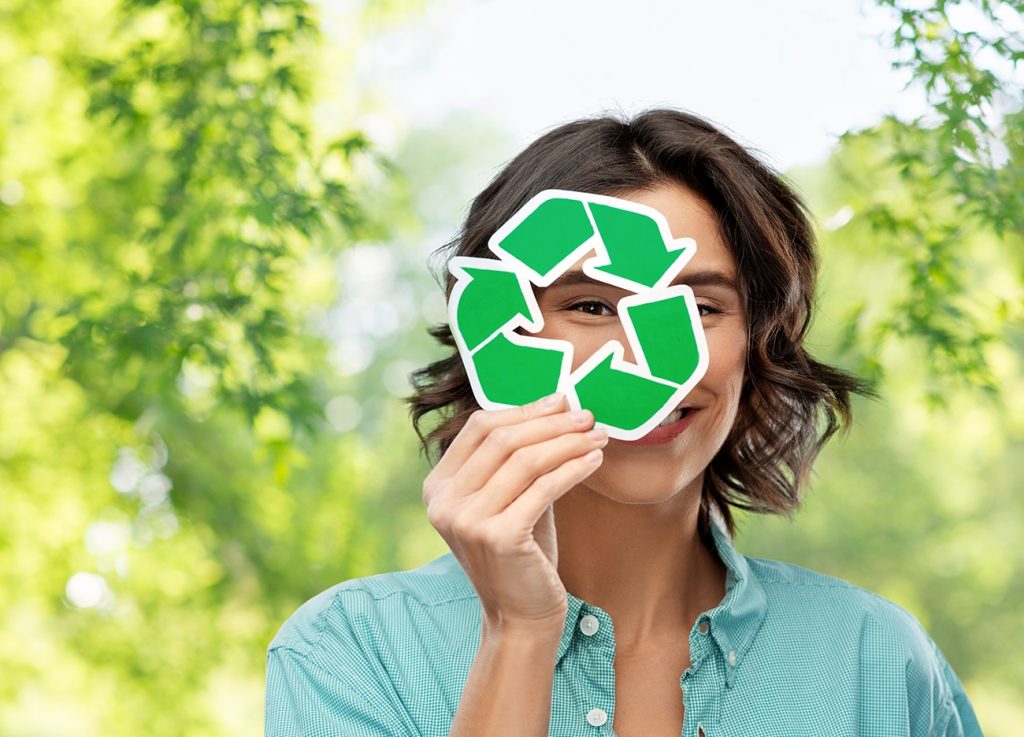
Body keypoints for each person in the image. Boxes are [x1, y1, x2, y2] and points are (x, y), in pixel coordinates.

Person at [264, 108, 984, 737]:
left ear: (757, 346)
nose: (648, 363)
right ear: (496, 329)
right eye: (591, 305)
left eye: (700, 308)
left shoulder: (877, 663)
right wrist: (518, 633)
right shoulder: (351, 651)